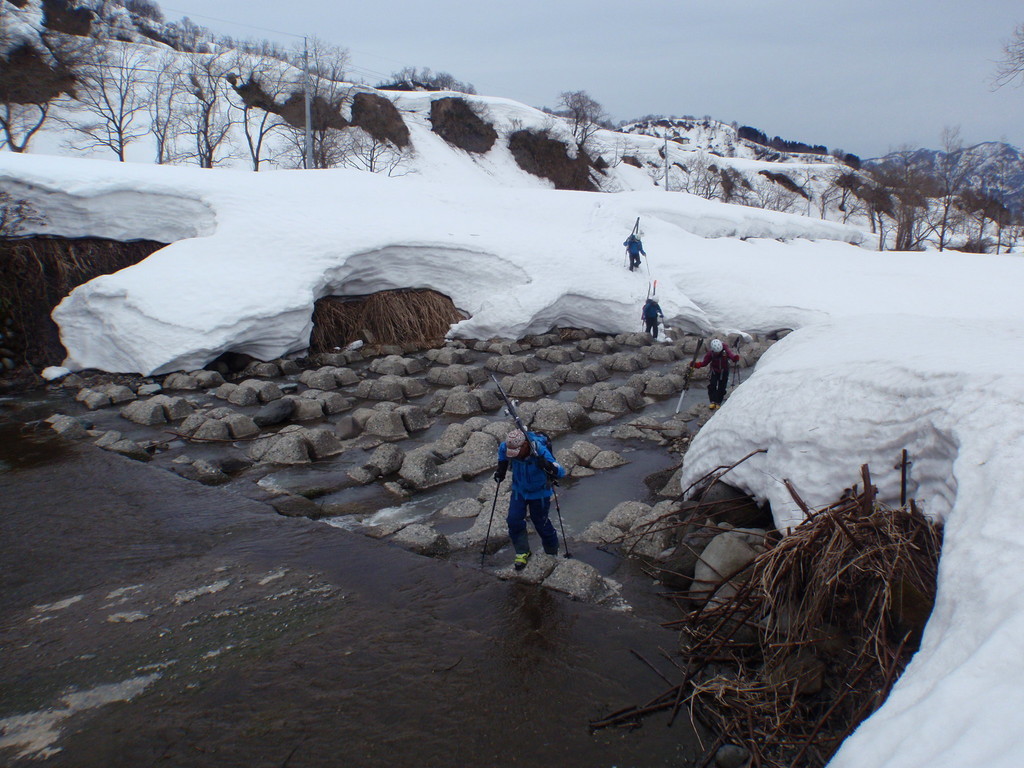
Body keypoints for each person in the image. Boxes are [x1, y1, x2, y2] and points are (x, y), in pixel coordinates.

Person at [494, 429, 566, 570]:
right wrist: (501, 469)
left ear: (525, 445)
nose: (514, 456)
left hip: (540, 492)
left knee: (541, 523)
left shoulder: (539, 449)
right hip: (519, 490)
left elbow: (561, 471)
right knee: (513, 521)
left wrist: (547, 465)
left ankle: (552, 552)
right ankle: (522, 552)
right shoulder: (507, 446)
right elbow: (503, 453)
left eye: (516, 453)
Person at [691, 338, 740, 410]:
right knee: (712, 386)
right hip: (714, 371)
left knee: (722, 388)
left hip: (724, 371)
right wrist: (696, 365)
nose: (718, 353)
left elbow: (731, 355)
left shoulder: (725, 350)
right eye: (716, 352)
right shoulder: (710, 354)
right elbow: (704, 363)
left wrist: (734, 358)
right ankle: (713, 401)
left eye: (719, 352)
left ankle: (718, 402)